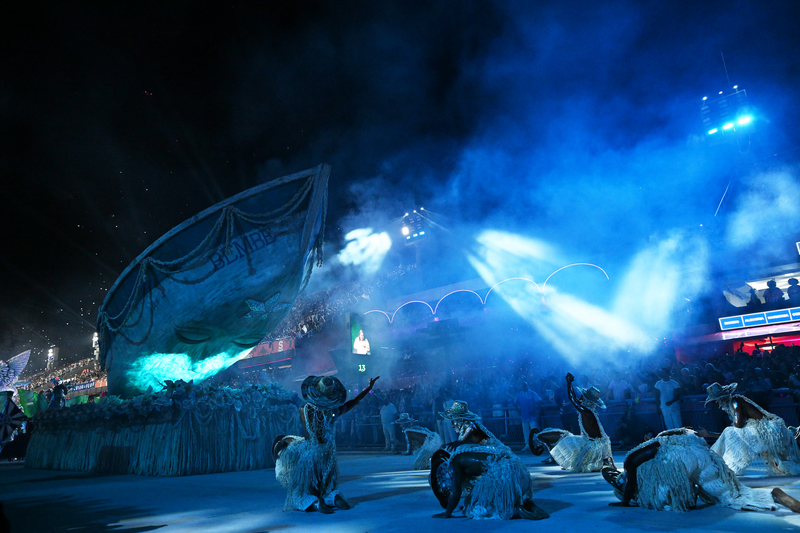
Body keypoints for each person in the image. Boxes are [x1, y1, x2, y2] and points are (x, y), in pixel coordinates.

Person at [601, 428, 800, 513]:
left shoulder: (630, 462)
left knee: (666, 500)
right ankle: (773, 495)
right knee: (729, 493)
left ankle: (772, 496)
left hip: (681, 458)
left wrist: (625, 502)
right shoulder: (655, 443)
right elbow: (690, 433)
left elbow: (631, 484)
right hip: (701, 453)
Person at [274, 374, 379, 513]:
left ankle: (316, 503)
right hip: (328, 455)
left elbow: (307, 432)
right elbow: (354, 401)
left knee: (302, 490)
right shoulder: (334, 410)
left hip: (311, 452)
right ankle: (333, 497)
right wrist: (369, 388)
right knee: (327, 484)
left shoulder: (303, 409)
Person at [430, 401, 549, 520]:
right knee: (474, 500)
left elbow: (456, 492)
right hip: (520, 475)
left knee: (474, 508)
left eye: (453, 420)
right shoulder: (474, 451)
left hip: (508, 478)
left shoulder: (455, 461)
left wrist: (447, 514)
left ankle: (515, 508)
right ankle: (519, 504)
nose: (452, 424)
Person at [700, 382, 800, 476]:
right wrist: (709, 434)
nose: (717, 405)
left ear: (721, 399)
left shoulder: (735, 402)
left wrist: (713, 433)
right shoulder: (732, 405)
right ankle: (719, 464)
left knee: (729, 431)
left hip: (768, 430)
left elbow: (738, 426)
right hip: (763, 430)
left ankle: (724, 465)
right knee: (729, 432)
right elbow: (735, 431)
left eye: (715, 402)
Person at [528, 373, 614, 472]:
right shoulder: (588, 410)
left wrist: (569, 383)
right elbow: (575, 398)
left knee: (566, 439)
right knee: (568, 438)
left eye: (583, 396)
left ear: (587, 400)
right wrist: (570, 384)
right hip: (593, 444)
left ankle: (555, 455)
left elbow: (572, 399)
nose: (580, 397)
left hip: (591, 445)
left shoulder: (586, 412)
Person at [514, 382, 542, 451]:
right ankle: (527, 445)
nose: (523, 387)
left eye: (524, 386)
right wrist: (518, 411)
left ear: (527, 386)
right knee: (525, 431)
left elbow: (540, 401)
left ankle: (536, 444)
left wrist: (535, 410)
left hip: (532, 416)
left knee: (534, 430)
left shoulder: (532, 393)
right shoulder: (519, 394)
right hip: (524, 416)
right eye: (522, 386)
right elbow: (515, 402)